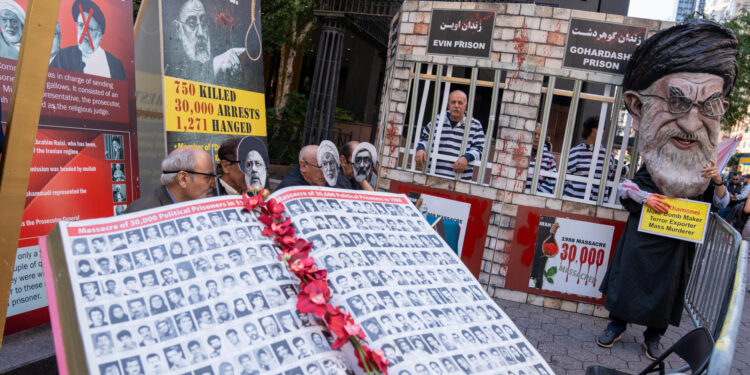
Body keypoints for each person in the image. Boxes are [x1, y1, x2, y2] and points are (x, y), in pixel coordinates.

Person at [597, 19, 735, 360]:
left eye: (709, 106)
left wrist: (716, 179)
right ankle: (617, 324)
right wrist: (648, 198)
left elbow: (723, 204)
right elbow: (625, 190)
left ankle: (653, 336)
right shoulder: (652, 168)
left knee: (667, 291)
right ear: (639, 107)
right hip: (642, 241)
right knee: (629, 277)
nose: (691, 124)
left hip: (676, 247)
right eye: (676, 101)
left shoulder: (704, 173)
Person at [164, 0, 246, 85]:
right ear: (178, 29)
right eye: (192, 23)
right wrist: (214, 66)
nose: (201, 33)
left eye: (203, 22)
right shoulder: (171, 72)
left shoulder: (225, 59)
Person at [415, 90, 485, 180]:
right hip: (432, 177)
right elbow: (424, 139)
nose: (456, 106)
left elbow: (480, 149)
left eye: (460, 103)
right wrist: (420, 149)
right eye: (453, 102)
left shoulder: (475, 125)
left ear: (465, 106)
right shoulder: (437, 120)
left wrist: (466, 158)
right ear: (448, 105)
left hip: (460, 181)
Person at [50, 0, 126, 80]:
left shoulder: (115, 65)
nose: (84, 32)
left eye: (89, 28)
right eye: (81, 25)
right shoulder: (62, 57)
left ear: (99, 35)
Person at [125, 147, 216, 213]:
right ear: (183, 179)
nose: (214, 184)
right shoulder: (142, 213)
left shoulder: (202, 208)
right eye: (208, 177)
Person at [562, 116, 616, 200]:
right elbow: (564, 179)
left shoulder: (608, 155)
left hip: (597, 205)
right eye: (599, 127)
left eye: (604, 128)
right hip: (573, 203)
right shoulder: (575, 152)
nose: (603, 131)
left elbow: (609, 178)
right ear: (589, 131)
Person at [526, 123, 557, 194]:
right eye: (535, 134)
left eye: (539, 135)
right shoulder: (522, 153)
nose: (536, 137)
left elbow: (550, 183)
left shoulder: (550, 158)